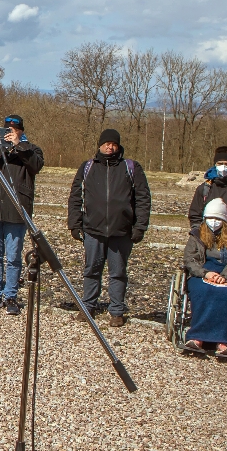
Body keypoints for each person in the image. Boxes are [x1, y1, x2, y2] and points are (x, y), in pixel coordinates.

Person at [68, 129, 151, 327]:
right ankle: (88, 306)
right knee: (91, 270)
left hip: (121, 231)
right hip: (93, 230)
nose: (110, 147)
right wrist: (74, 223)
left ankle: (116, 311)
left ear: (118, 146)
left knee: (118, 273)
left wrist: (140, 226)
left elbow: (143, 198)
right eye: (106, 143)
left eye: (113, 144)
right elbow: (75, 196)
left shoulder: (131, 167)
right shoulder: (88, 167)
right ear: (100, 145)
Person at [0, 115, 44, 315]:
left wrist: (19, 146)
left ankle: (10, 295)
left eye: (13, 130)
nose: (9, 133)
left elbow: (36, 166)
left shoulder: (30, 149)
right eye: (6, 130)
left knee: (13, 256)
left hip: (17, 209)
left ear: (21, 131)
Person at [183, 198, 227, 359]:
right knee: (203, 290)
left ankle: (223, 342)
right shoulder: (196, 235)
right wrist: (205, 273)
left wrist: (225, 277)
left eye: (218, 219)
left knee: (226, 294)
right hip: (202, 272)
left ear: (224, 220)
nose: (214, 222)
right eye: (211, 218)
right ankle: (197, 337)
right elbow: (189, 259)